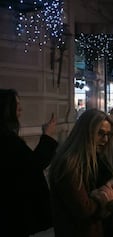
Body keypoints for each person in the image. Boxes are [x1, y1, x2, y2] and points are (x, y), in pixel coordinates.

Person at [48, 109, 113, 237]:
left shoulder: (97, 160)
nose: (105, 139)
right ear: (86, 132)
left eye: (109, 134)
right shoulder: (70, 163)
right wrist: (104, 198)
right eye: (100, 133)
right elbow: (84, 208)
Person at [1, 89, 58, 236]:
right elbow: (33, 165)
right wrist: (48, 136)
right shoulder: (7, 140)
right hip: (13, 212)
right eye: (16, 104)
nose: (20, 108)